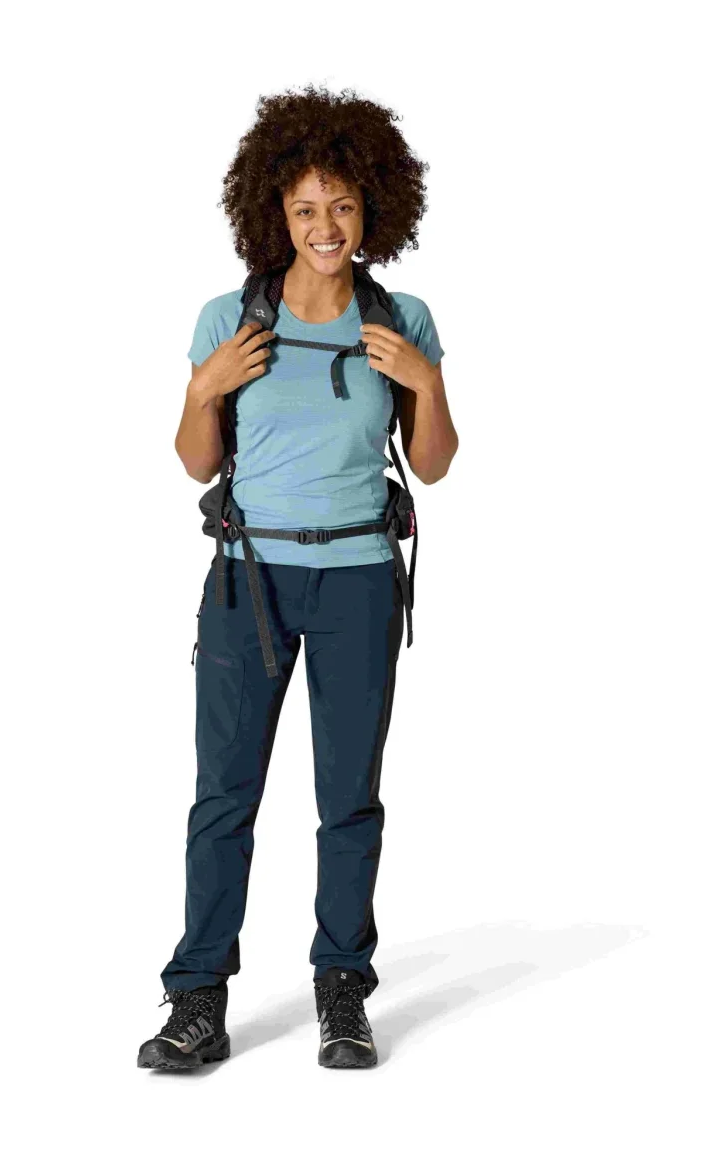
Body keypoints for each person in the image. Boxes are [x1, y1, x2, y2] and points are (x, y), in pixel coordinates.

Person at [137, 83, 459, 1072]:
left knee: (347, 799)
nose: (326, 226)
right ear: (273, 212)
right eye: (306, 207)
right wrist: (203, 388)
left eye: (343, 205)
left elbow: (435, 464)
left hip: (358, 577)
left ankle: (341, 988)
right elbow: (195, 461)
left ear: (372, 209)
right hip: (248, 583)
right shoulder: (229, 320)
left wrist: (425, 380)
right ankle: (197, 997)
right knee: (223, 796)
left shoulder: (400, 320)